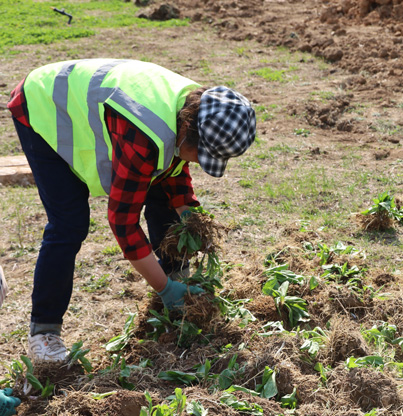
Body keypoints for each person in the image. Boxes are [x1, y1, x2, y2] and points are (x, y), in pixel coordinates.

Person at [7, 59, 257, 364]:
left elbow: (174, 170)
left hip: (111, 116)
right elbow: (123, 222)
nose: (196, 163)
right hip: (43, 108)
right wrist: (164, 288)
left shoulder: (190, 107)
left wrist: (189, 215)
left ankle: (177, 281)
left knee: (162, 194)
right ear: (189, 131)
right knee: (69, 224)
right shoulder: (145, 133)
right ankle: (43, 332)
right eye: (200, 155)